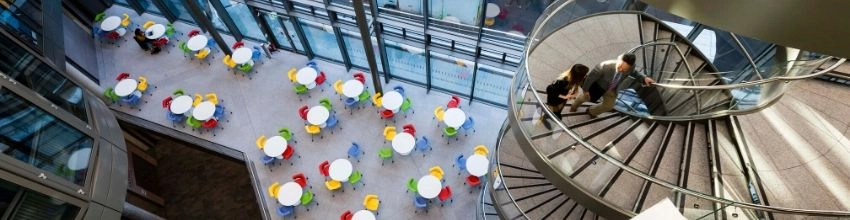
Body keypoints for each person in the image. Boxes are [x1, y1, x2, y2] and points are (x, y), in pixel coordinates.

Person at [569, 53, 656, 118]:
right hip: (599, 87)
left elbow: (634, 73)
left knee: (609, 105)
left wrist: (644, 78)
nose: (621, 70)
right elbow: (589, 79)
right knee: (585, 97)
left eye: (624, 69)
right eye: (620, 66)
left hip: (612, 89)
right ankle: (574, 106)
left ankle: (591, 111)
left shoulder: (631, 67)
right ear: (618, 59)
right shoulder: (602, 67)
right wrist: (585, 90)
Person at [541, 64, 589, 129]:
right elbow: (549, 89)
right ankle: (545, 117)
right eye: (584, 74)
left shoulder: (573, 78)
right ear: (578, 76)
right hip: (555, 100)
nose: (586, 76)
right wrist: (565, 97)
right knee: (554, 111)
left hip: (561, 101)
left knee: (557, 112)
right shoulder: (562, 81)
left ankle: (552, 115)